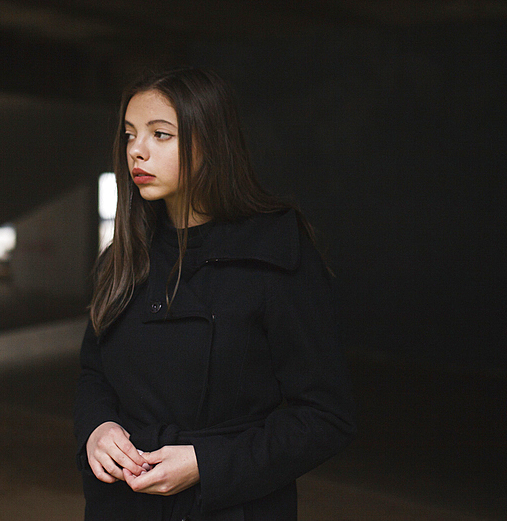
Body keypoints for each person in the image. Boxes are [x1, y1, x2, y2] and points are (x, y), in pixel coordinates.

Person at [74, 67, 356, 520]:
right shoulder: (127, 253)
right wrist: (97, 427)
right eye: (129, 135)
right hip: (123, 506)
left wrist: (206, 463)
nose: (136, 151)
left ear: (212, 142)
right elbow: (95, 373)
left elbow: (325, 416)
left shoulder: (276, 251)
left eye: (160, 134)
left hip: (229, 507)